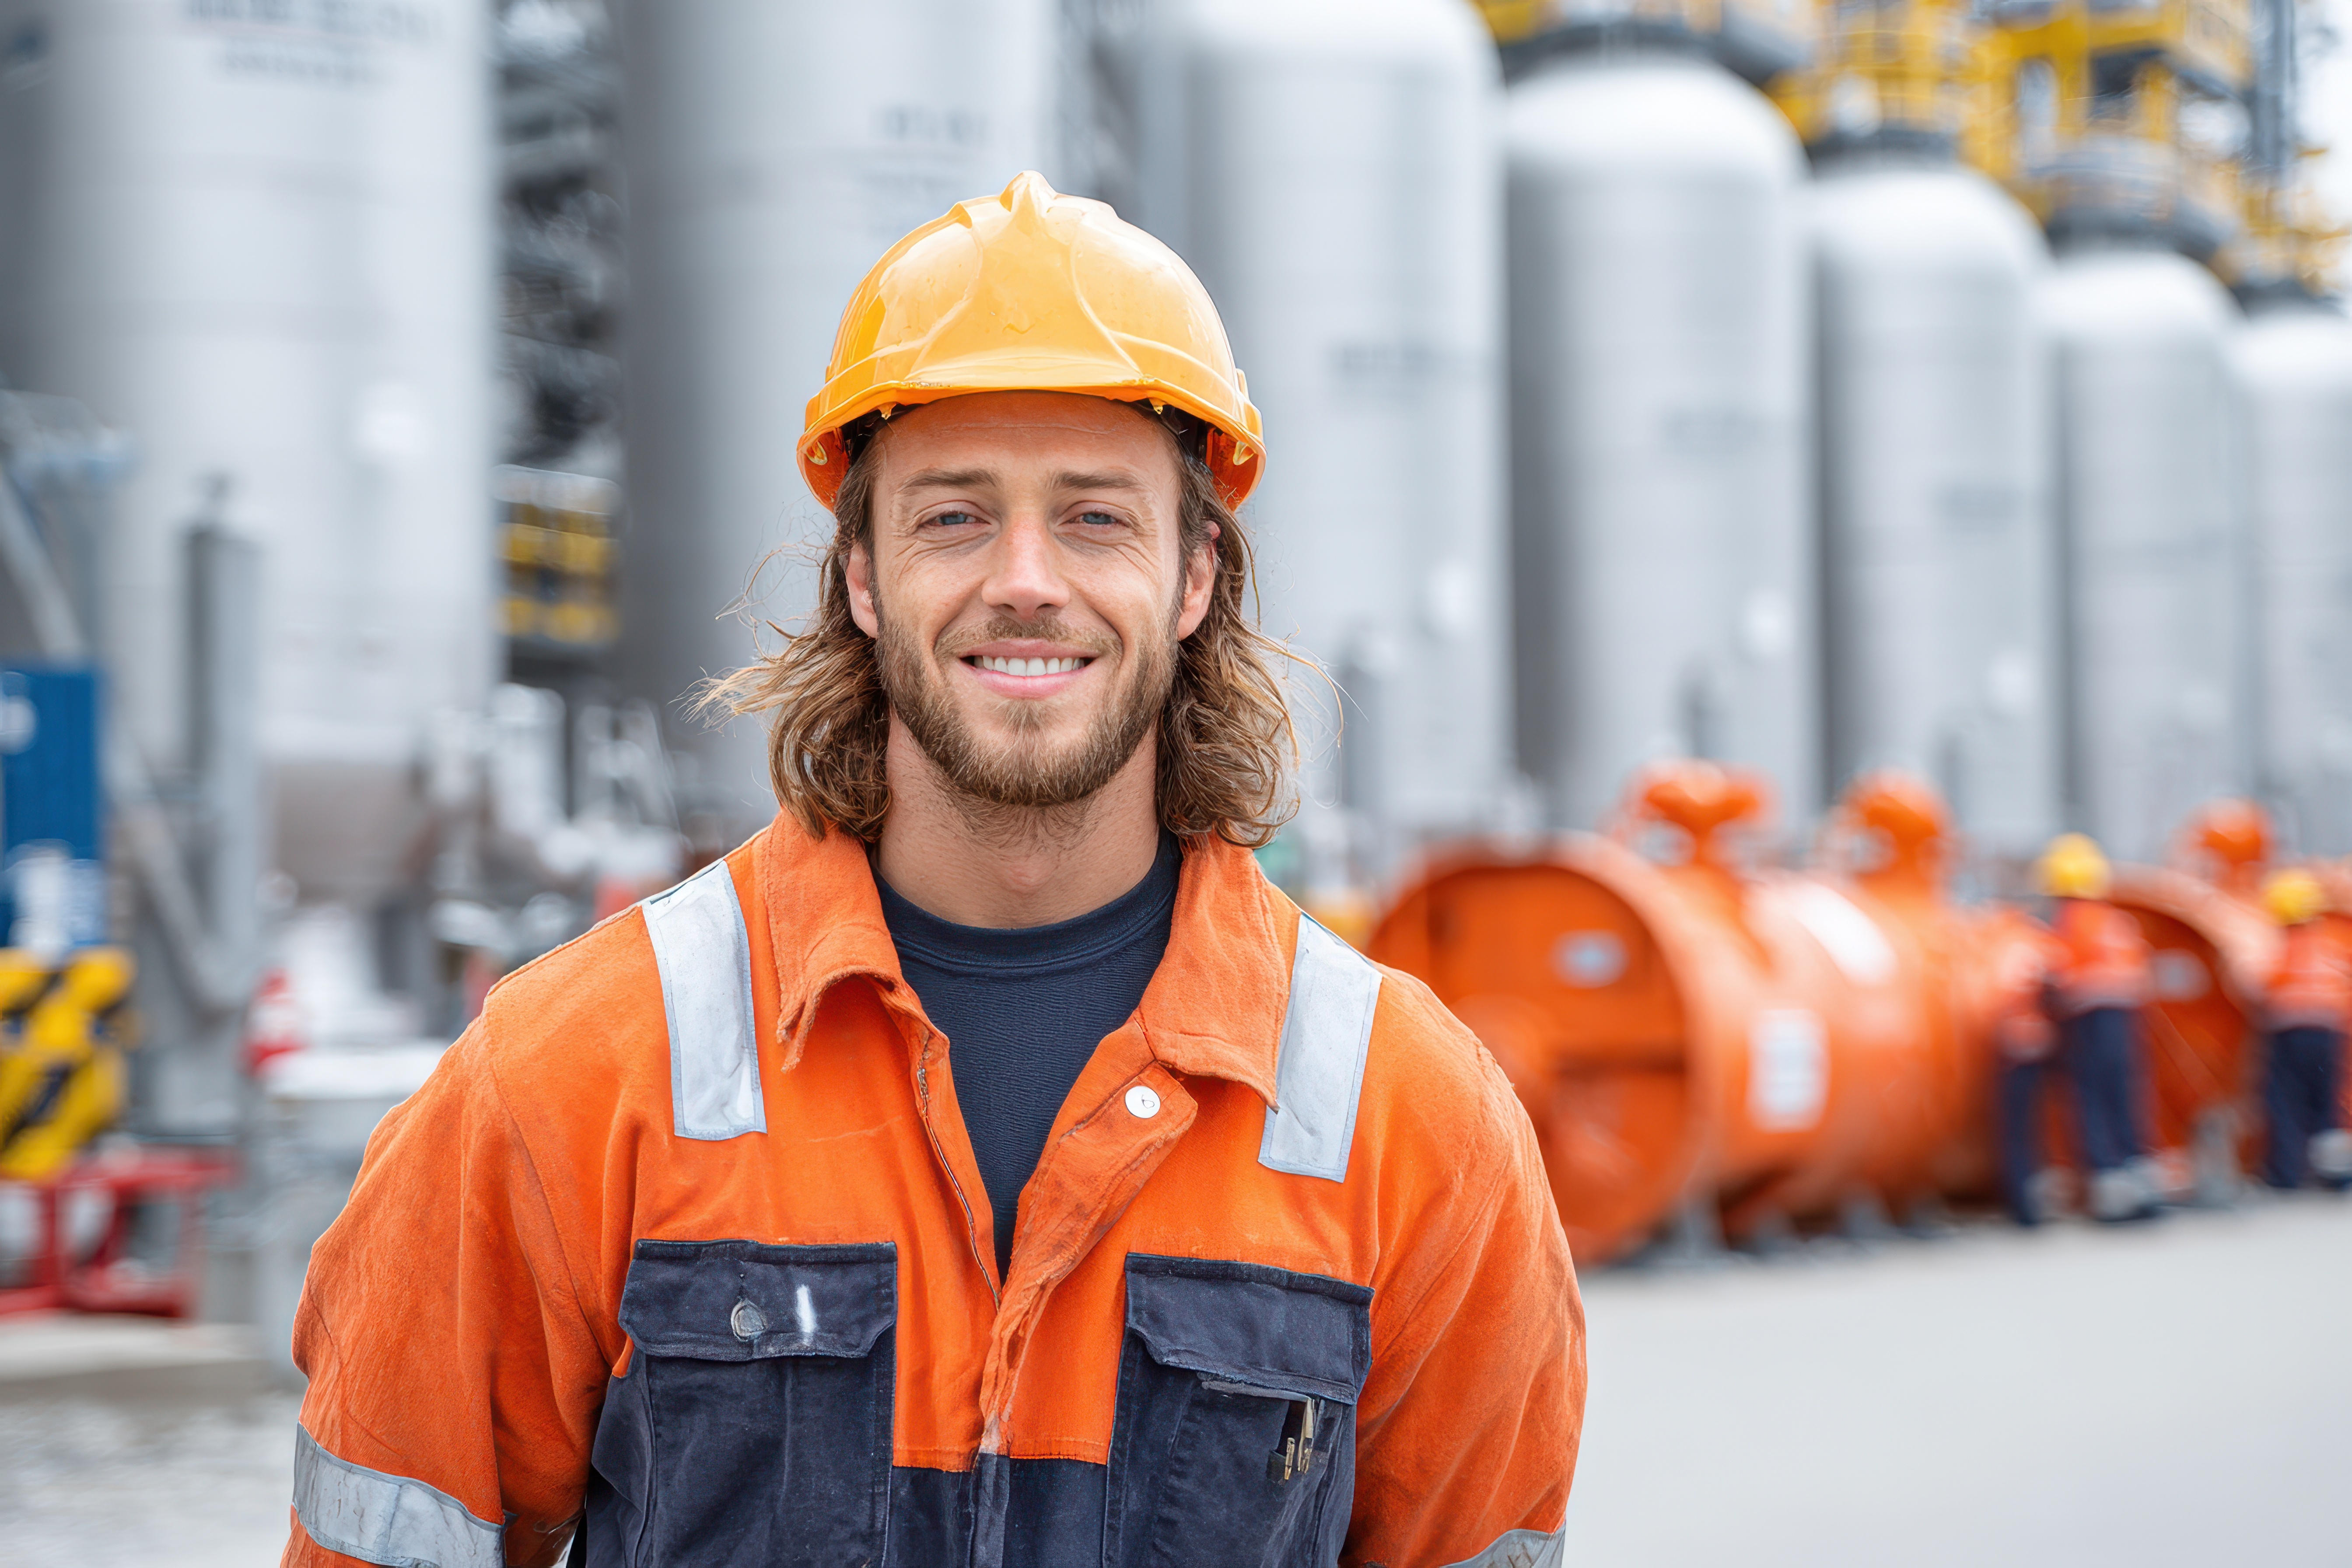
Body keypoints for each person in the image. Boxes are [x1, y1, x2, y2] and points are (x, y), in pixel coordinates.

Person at [280, 172, 1584, 1568]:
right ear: (859, 576)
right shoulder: (566, 1079)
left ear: (1197, 575)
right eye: (954, 516)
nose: (1025, 579)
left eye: (1094, 516)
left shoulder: (1414, 1123)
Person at [2036, 833, 2161, 1223]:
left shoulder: (2070, 922)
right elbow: (2141, 975)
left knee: (2091, 1102)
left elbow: (2056, 976)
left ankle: (2111, 1195)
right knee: (2126, 1099)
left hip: (2089, 1023)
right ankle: (2142, 1187)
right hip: (2126, 1022)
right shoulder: (2117, 921)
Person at [2255, 867, 2352, 1191]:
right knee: (2327, 1102)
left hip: (2291, 1033)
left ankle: (2286, 1174)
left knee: (2286, 1100)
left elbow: (2263, 987)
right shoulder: (2330, 943)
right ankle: (2335, 1175)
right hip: (2330, 1032)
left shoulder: (2285, 948)